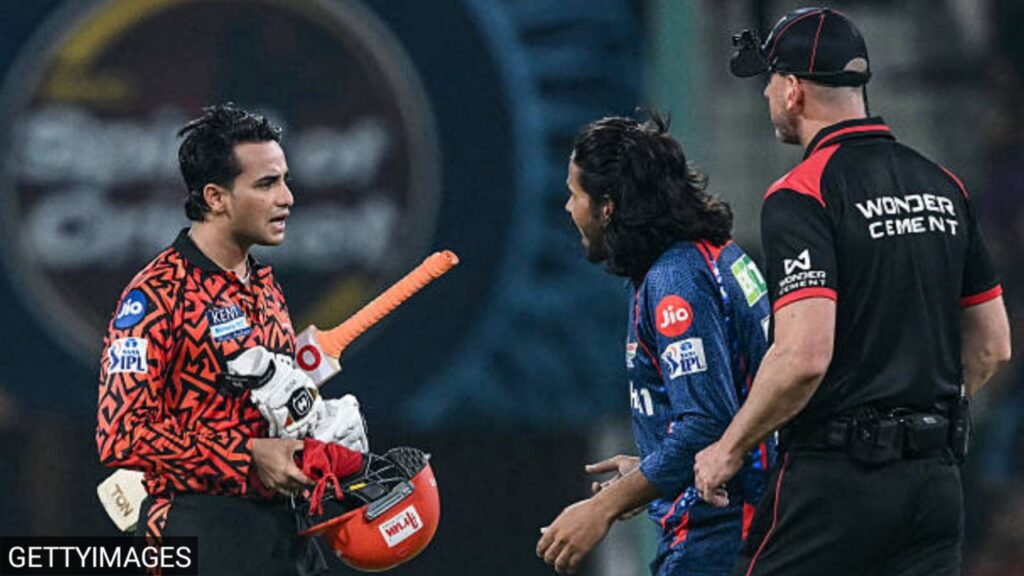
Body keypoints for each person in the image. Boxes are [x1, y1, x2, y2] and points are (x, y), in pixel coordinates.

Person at [693, 7, 1012, 576]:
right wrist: (918, 416)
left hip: (838, 483)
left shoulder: (802, 194)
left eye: (770, 80)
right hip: (934, 484)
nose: (766, 94)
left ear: (793, 90)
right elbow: (992, 345)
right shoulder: (944, 186)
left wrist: (729, 448)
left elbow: (803, 358)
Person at [96, 104, 365, 575]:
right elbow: (121, 434)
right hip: (199, 532)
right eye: (267, 184)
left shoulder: (264, 286)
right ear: (216, 197)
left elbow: (262, 414)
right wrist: (248, 454)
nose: (287, 198)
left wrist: (316, 432)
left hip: (286, 535)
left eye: (284, 180)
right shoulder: (155, 295)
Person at [536, 114, 774, 575]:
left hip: (718, 538)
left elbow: (707, 424)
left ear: (607, 207)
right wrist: (651, 469)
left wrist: (602, 509)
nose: (568, 207)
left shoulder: (675, 281)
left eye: (575, 194)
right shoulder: (716, 255)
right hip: (747, 527)